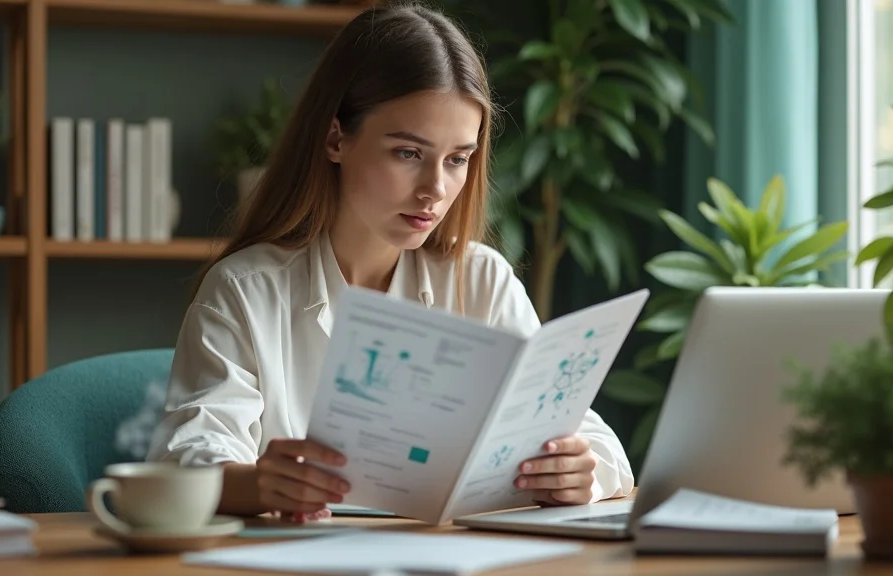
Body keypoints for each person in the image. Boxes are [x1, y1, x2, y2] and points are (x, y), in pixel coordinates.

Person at [146, 2, 634, 522]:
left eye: (457, 159)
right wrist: (259, 485)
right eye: (408, 153)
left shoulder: (482, 279)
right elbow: (187, 460)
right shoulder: (246, 290)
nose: (435, 190)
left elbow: (593, 442)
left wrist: (580, 470)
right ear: (336, 138)